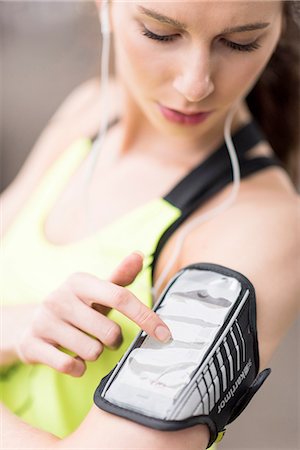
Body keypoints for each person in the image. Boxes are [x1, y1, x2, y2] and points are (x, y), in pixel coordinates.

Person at [1, 1, 299, 449]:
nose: (195, 84)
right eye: (160, 34)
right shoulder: (91, 111)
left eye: (241, 43)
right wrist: (17, 327)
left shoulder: (259, 226)